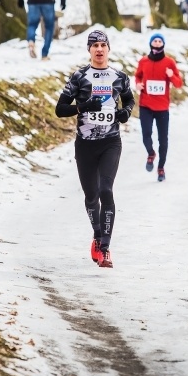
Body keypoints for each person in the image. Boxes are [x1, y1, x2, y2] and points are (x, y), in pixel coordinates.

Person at [54, 30, 135, 268]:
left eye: (103, 45)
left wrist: (126, 112)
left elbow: (129, 99)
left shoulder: (119, 77)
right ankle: (97, 235)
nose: (99, 49)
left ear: (108, 49)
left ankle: (105, 248)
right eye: (95, 45)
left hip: (110, 143)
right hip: (85, 146)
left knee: (105, 190)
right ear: (89, 50)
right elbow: (60, 109)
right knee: (91, 197)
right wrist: (82, 107)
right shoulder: (79, 77)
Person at [134, 33, 183, 182]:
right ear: (151, 43)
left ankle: (161, 168)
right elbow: (137, 76)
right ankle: (151, 154)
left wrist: (171, 75)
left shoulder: (169, 62)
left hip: (162, 107)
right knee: (146, 134)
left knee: (163, 139)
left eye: (159, 40)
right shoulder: (143, 61)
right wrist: (138, 84)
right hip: (146, 105)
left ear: (163, 44)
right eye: (154, 40)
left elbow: (179, 83)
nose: (157, 42)